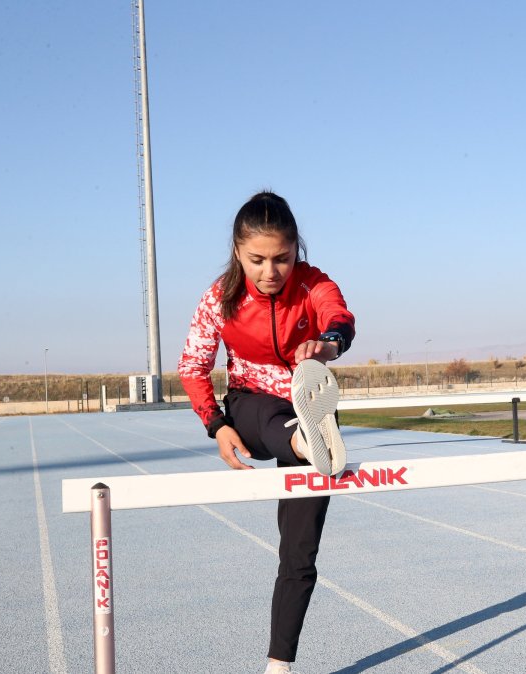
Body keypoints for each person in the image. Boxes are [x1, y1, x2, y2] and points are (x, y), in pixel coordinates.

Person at [178, 191, 356, 674]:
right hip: (250, 409)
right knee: (272, 418)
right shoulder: (220, 297)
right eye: (257, 260)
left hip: (308, 399)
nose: (270, 271)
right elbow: (193, 365)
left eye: (282, 258)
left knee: (298, 555)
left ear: (297, 249)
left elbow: (339, 316)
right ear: (237, 252)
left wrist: (329, 343)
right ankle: (303, 438)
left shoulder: (312, 284)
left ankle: (278, 666)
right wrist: (216, 425)